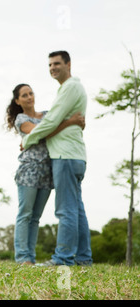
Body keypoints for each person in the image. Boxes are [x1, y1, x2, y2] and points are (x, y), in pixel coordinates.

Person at [22, 51, 93, 266]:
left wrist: (27, 140)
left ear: (68, 64)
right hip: (74, 156)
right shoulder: (69, 88)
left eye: (57, 64)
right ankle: (82, 258)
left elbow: (51, 121)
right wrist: (71, 121)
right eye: (50, 64)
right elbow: (57, 120)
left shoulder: (70, 87)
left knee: (66, 209)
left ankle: (63, 258)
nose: (53, 68)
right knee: (76, 208)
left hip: (65, 156)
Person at [6, 83, 85, 265]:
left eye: (31, 93)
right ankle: (22, 257)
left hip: (48, 171)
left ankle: (30, 258)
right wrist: (70, 122)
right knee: (25, 214)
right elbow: (41, 133)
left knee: (35, 218)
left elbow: (51, 129)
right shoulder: (21, 119)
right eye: (24, 95)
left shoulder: (47, 115)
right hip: (30, 170)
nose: (29, 97)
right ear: (18, 101)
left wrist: (74, 122)